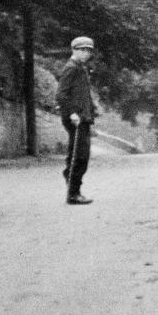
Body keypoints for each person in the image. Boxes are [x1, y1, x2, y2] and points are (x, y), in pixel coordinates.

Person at [57, 35, 98, 205]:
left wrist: (91, 110)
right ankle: (73, 193)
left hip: (83, 118)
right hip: (76, 119)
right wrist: (72, 113)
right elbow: (61, 95)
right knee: (79, 156)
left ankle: (71, 182)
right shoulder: (71, 68)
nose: (86, 53)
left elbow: (82, 94)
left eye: (88, 50)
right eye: (82, 50)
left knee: (81, 155)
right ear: (74, 50)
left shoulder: (81, 68)